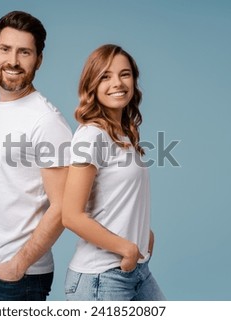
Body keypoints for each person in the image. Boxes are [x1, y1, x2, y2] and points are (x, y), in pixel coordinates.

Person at [0, 11, 72, 301]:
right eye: (5, 49)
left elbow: (63, 207)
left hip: (18, 278)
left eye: (25, 52)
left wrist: (19, 263)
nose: (13, 61)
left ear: (39, 60)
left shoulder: (46, 121)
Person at [62, 44, 165, 300]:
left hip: (136, 272)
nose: (117, 83)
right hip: (100, 278)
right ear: (92, 85)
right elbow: (71, 216)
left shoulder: (123, 134)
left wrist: (144, 236)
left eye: (125, 74)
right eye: (105, 76)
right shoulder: (91, 136)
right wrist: (127, 248)